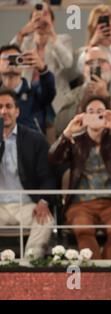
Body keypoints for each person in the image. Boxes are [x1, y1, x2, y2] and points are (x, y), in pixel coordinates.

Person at [48, 95, 111, 259]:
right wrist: (67, 133)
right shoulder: (76, 141)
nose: (95, 115)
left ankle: (104, 273)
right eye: (90, 111)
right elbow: (53, 159)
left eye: (100, 112)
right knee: (83, 229)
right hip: (81, 203)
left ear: (107, 114)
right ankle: (95, 272)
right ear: (83, 115)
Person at [0, 89, 55, 257]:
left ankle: (29, 266)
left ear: (17, 111)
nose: (3, 111)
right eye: (0, 107)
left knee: (46, 221)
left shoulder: (35, 139)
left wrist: (43, 202)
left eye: (8, 106)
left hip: (25, 205)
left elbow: (48, 176)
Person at [54, 47, 111, 137]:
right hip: (81, 145)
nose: (95, 66)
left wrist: (107, 97)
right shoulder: (72, 95)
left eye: (101, 61)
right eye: (90, 63)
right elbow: (59, 126)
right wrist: (82, 103)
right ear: (84, 70)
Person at [11, 2, 73, 114]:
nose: (41, 19)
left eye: (45, 14)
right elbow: (8, 60)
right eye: (37, 16)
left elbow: (68, 63)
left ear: (52, 21)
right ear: (31, 21)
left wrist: (52, 34)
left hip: (56, 98)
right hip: (29, 97)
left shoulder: (62, 40)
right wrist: (21, 34)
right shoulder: (25, 42)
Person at [0, 44, 56, 134]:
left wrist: (43, 69)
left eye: (15, 58)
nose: (10, 62)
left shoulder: (35, 93)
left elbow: (49, 92)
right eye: (6, 58)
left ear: (22, 63)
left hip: (33, 145)